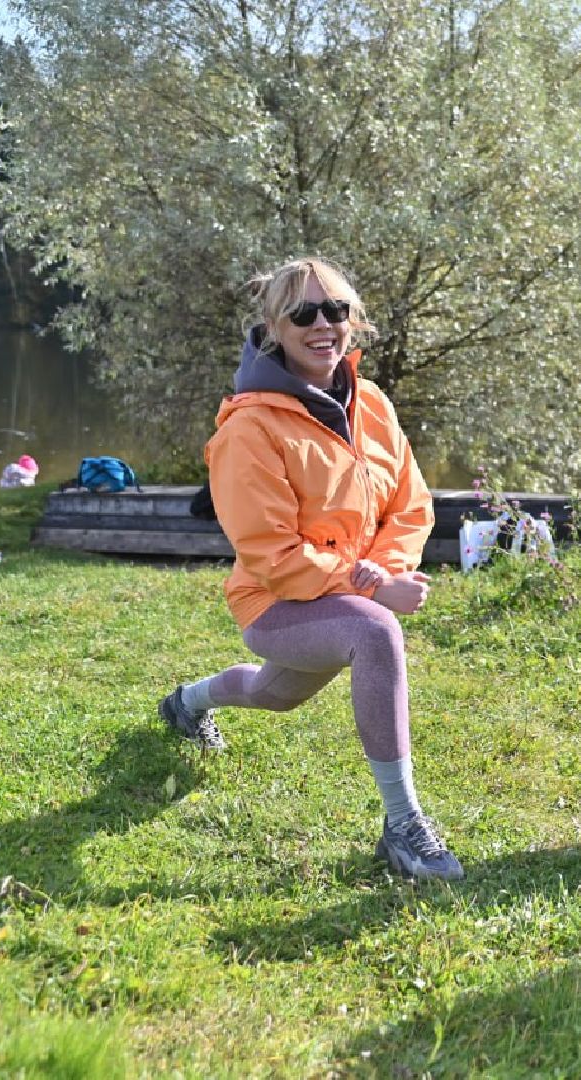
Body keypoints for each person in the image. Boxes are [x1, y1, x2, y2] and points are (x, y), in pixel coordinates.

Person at [156, 256, 463, 882]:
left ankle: (186, 704)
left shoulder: (370, 402)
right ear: (274, 327)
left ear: (354, 320)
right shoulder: (249, 428)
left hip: (345, 596)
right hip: (274, 601)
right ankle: (403, 827)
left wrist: (379, 572)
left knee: (277, 694)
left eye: (336, 310)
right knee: (376, 635)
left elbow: (411, 504)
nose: (323, 324)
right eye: (303, 313)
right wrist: (374, 586)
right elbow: (272, 556)